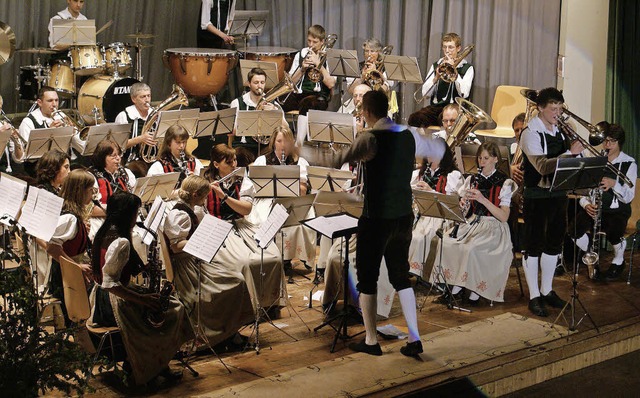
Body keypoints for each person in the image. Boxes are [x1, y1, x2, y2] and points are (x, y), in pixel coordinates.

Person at [332, 90, 430, 357]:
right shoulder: (407, 135)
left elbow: (336, 159)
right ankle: (414, 337)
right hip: (403, 217)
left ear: (366, 112)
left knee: (368, 278)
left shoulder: (370, 138)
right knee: (401, 275)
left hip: (376, 218)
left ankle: (372, 341)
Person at [89, 192, 191, 385]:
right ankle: (150, 366)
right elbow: (112, 284)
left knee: (167, 306)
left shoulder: (104, 230)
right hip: (112, 304)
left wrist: (142, 268)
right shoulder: (121, 242)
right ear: (128, 215)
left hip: (100, 298)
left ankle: (156, 364)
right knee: (173, 311)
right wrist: (143, 299)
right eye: (135, 213)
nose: (137, 217)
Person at [163, 175, 254, 350]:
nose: (206, 200)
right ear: (196, 194)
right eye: (204, 197)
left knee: (236, 277)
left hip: (194, 261)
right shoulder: (179, 214)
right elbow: (176, 246)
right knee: (234, 282)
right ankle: (221, 334)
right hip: (186, 268)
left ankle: (229, 331)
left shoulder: (189, 208)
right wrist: (204, 239)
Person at [520, 87, 584, 317]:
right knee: (534, 245)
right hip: (537, 196)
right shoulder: (530, 133)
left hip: (558, 195)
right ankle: (534, 295)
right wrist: (570, 154)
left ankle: (547, 290)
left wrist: (577, 152)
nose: (557, 113)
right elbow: (542, 166)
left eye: (560, 108)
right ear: (540, 108)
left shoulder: (560, 132)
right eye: (553, 109)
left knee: (554, 244)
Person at [429, 142, 516, 306]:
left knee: (470, 248)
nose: (481, 162)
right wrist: (463, 204)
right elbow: (464, 209)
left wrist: (482, 200)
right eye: (480, 158)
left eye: (486, 158)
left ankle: (468, 291)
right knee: (447, 243)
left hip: (494, 227)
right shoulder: (472, 179)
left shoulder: (505, 183)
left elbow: (504, 216)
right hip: (473, 223)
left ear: (495, 159)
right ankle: (454, 288)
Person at [205, 144, 284, 308]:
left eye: (234, 160)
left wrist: (223, 196)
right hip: (219, 228)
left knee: (274, 256)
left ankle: (272, 303)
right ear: (216, 164)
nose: (234, 165)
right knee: (245, 262)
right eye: (229, 162)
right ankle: (249, 306)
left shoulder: (243, 180)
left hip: (242, 225)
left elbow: (246, 209)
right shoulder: (206, 181)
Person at [247, 126, 315, 282]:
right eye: (279, 141)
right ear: (273, 142)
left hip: (291, 200)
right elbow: (256, 187)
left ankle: (287, 260)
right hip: (268, 199)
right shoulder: (262, 160)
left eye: (286, 141)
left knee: (304, 219)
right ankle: (270, 258)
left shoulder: (300, 162)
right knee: (264, 219)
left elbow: (303, 191)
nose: (282, 145)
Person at [570, 124, 636, 281]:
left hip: (617, 210)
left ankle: (618, 260)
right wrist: (586, 204)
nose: (607, 145)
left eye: (611, 142)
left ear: (619, 142)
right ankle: (591, 255)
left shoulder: (629, 163)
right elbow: (584, 189)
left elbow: (628, 197)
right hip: (595, 208)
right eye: (605, 141)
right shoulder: (596, 159)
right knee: (573, 230)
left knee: (614, 231)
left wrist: (615, 184)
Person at [46, 169, 95, 325]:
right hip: (65, 276)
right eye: (90, 190)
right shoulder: (69, 218)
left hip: (70, 272)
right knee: (73, 318)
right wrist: (77, 266)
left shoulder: (73, 215)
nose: (93, 194)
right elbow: (52, 248)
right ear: (80, 191)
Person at [408, 143, 463, 279]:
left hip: (439, 217)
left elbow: (452, 203)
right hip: (419, 214)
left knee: (419, 237)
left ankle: (421, 272)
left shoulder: (452, 175)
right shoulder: (419, 174)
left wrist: (430, 191)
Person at [417, 32, 474, 128]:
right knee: (415, 119)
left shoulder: (467, 68)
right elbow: (425, 94)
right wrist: (436, 78)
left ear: (458, 48)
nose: (447, 51)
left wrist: (454, 71)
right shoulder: (437, 65)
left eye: (450, 47)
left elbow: (464, 94)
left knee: (451, 120)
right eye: (445, 47)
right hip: (437, 109)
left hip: (456, 109)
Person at [281, 25, 337, 115]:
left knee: (310, 105)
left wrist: (318, 64)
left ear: (322, 42)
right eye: (309, 41)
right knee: (280, 100)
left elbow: (331, 84)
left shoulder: (330, 57)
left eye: (315, 42)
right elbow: (291, 83)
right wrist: (302, 69)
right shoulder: (300, 54)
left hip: (318, 96)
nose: (311, 45)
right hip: (299, 94)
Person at [18, 87, 65, 176]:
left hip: (60, 168)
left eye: (56, 100)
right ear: (39, 102)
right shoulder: (28, 122)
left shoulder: (61, 116)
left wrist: (73, 132)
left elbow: (80, 148)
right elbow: (29, 157)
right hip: (39, 172)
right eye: (50, 101)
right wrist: (50, 132)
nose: (54, 104)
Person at [114, 83, 157, 165]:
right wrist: (141, 139)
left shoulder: (155, 114)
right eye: (143, 97)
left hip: (154, 160)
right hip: (131, 163)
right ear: (133, 99)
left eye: (148, 96)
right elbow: (118, 146)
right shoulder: (124, 116)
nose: (147, 100)